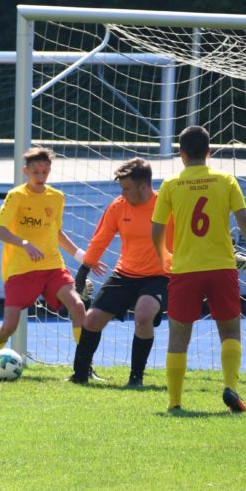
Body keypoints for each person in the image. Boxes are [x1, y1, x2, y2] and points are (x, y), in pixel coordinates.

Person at [151, 125, 246, 413]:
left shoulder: (171, 185)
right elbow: (244, 220)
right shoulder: (226, 180)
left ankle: (175, 402)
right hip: (221, 268)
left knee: (179, 335)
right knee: (230, 331)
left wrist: (162, 254)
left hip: (185, 269)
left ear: (181, 154)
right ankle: (231, 387)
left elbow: (156, 228)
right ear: (208, 152)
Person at [0, 147, 107, 372]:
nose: (41, 177)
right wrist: (24, 243)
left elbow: (57, 233)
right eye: (36, 172)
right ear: (26, 171)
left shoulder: (56, 197)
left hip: (52, 266)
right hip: (20, 269)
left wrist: (83, 256)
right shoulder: (16, 196)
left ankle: (83, 366)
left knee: (78, 306)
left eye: (45, 172)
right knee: (9, 326)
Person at [68, 157, 172, 387]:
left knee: (143, 316)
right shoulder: (117, 206)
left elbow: (189, 235)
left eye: (126, 188)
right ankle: (79, 376)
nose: (122, 193)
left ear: (144, 187)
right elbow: (100, 238)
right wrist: (85, 268)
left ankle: (136, 378)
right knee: (91, 319)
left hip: (159, 276)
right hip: (125, 274)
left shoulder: (167, 206)